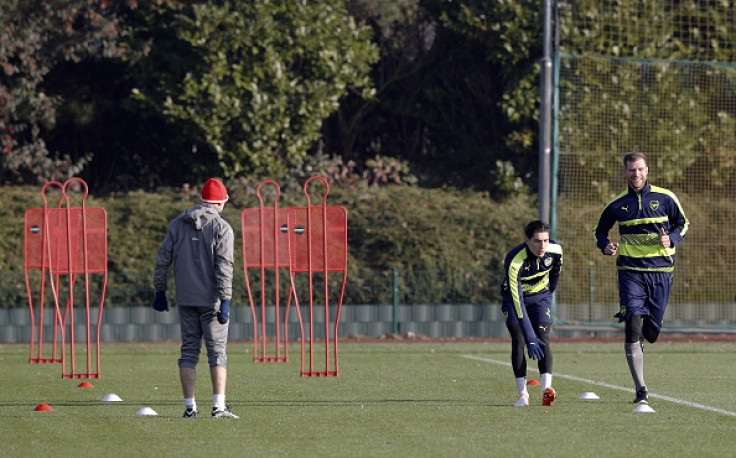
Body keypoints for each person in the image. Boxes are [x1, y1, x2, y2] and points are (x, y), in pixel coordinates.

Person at [594, 152, 689, 405]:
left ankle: (643, 341)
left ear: (647, 170)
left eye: (640, 170)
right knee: (632, 324)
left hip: (661, 272)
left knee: (652, 332)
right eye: (631, 171)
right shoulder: (617, 204)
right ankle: (641, 389)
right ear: (624, 173)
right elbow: (600, 230)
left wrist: (672, 239)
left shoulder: (665, 198)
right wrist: (605, 246)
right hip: (630, 272)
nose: (636, 174)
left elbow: (683, 223)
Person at [152, 178, 239, 419]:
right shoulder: (223, 228)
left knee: (189, 352)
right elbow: (224, 266)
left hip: (186, 299)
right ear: (220, 203)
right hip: (212, 302)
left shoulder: (178, 224)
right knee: (217, 352)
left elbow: (163, 259)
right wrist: (226, 300)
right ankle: (218, 407)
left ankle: (190, 408)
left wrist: (160, 290)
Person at [501, 220, 563, 407]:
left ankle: (546, 390)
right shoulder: (514, 260)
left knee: (543, 335)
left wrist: (545, 297)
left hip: (540, 297)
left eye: (545, 240)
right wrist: (530, 337)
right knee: (519, 339)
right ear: (527, 240)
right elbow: (517, 301)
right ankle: (522, 394)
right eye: (537, 241)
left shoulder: (556, 251)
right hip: (514, 300)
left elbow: (555, 276)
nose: (542, 245)